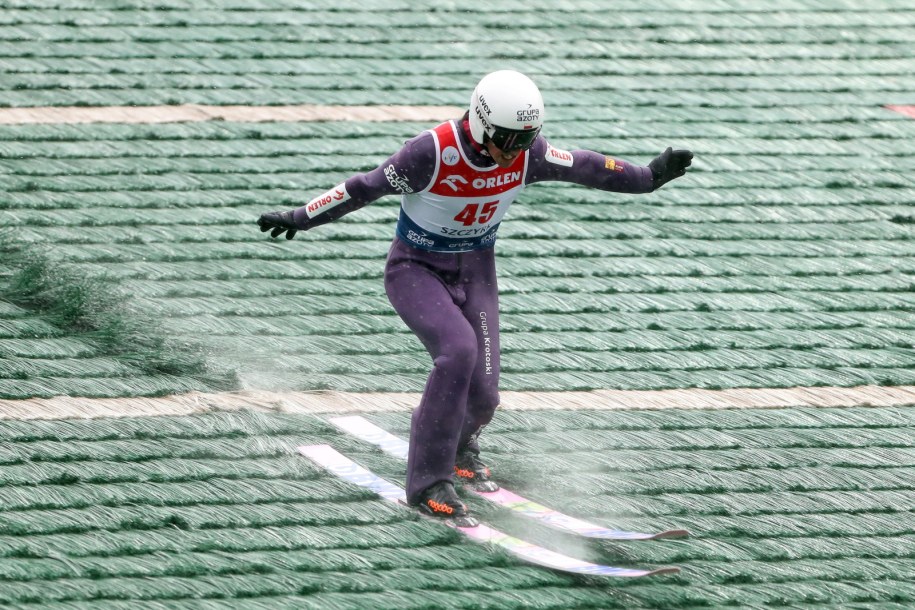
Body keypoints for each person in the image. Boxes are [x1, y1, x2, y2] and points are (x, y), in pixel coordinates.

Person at [258, 70, 692, 526]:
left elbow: (583, 164)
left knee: (484, 396)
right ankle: (428, 483)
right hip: (416, 269)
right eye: (508, 139)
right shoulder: (431, 152)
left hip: (476, 269)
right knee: (457, 353)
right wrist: (300, 217)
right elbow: (364, 187)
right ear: (482, 124)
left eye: (526, 140)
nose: (516, 152)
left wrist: (650, 176)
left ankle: (461, 446)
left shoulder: (526, 154)